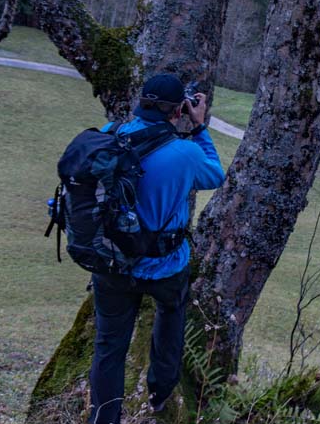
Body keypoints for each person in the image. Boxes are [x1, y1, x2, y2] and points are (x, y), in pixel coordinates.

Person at [89, 73, 225, 424]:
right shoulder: (186, 153)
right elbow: (215, 175)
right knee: (170, 320)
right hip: (166, 264)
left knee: (108, 347)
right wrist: (198, 126)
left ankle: (104, 418)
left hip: (112, 264)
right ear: (179, 108)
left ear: (141, 101)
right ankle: (160, 393)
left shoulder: (110, 136)